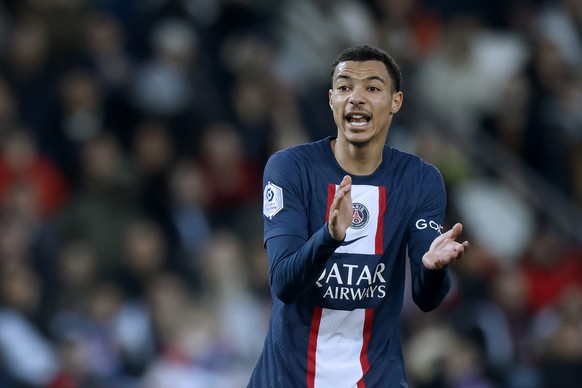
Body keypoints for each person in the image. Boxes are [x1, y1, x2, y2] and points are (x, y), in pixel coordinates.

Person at [248, 44, 469, 387]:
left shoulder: (420, 179)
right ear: (331, 99)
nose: (356, 97)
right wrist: (329, 238)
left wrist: (431, 270)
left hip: (376, 377)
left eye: (373, 88)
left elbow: (427, 299)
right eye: (345, 87)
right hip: (288, 379)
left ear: (396, 101)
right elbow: (284, 283)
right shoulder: (290, 168)